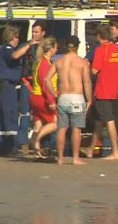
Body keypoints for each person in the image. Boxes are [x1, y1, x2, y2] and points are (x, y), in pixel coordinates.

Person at [45, 35, 92, 165]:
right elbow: (87, 82)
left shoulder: (59, 62)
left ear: (66, 46)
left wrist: (54, 93)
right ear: (77, 46)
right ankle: (75, 158)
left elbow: (47, 79)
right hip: (77, 97)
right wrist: (89, 99)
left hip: (63, 98)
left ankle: (60, 158)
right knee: (76, 128)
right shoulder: (82, 62)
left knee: (62, 128)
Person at [0, 25, 39, 156]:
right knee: (10, 115)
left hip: (6, 85)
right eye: (17, 37)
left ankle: (1, 146)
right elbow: (15, 55)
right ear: (12, 37)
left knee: (3, 116)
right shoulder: (7, 49)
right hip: (7, 85)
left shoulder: (3, 50)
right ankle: (10, 147)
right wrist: (30, 44)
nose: (18, 40)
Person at [87, 25, 118, 160]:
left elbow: (94, 71)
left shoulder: (100, 50)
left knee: (109, 121)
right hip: (115, 91)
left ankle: (115, 152)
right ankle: (90, 149)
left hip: (103, 92)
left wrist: (86, 67)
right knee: (99, 121)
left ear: (98, 36)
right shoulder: (117, 50)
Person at [18, 21, 47, 153]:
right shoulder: (26, 45)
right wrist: (30, 44)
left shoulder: (47, 46)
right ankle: (23, 143)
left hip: (40, 85)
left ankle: (42, 143)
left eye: (37, 32)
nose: (34, 34)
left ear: (43, 33)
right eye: (33, 32)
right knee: (25, 113)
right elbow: (17, 55)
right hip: (27, 83)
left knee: (42, 115)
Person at [30, 38, 58, 158]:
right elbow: (45, 82)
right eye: (56, 47)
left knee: (39, 124)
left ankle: (37, 152)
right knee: (56, 122)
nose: (57, 50)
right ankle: (36, 139)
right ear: (51, 48)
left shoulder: (39, 61)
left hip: (35, 96)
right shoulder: (45, 63)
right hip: (41, 97)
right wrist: (51, 100)